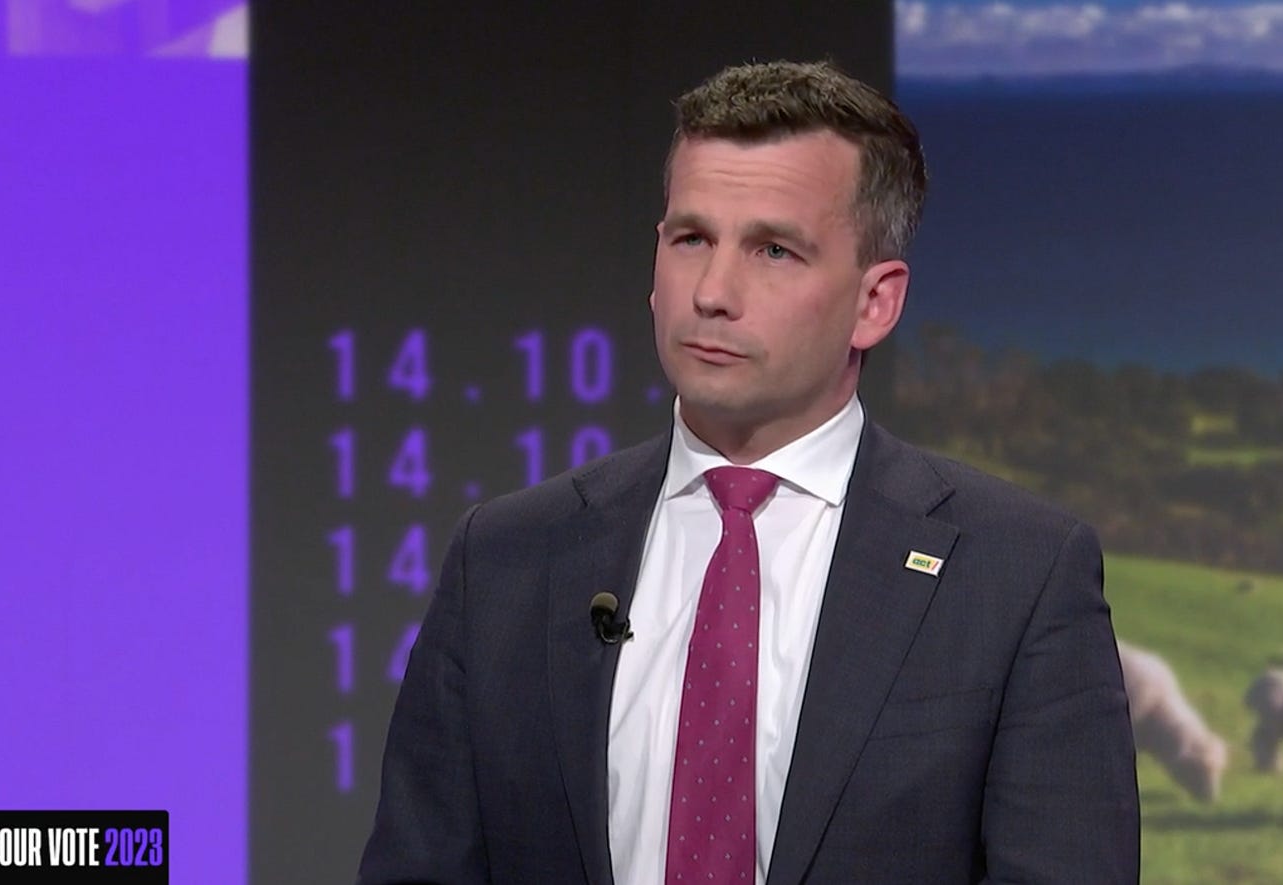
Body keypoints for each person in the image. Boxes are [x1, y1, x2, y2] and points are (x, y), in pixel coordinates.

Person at [358, 60, 1139, 884]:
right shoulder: (506, 559)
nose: (713, 291)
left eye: (773, 250)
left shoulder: (1017, 575)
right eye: (691, 238)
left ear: (874, 302)